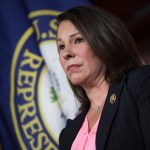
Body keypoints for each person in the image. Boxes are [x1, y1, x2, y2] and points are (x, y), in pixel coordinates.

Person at [56, 6, 150, 150]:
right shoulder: (67, 134)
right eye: (61, 46)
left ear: (103, 42)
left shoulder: (140, 84)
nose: (65, 53)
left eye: (77, 40)